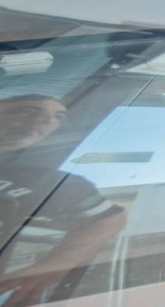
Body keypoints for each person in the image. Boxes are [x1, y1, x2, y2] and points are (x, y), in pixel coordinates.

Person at [0, 95, 124, 306]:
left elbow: (109, 217)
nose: (46, 121)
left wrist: (55, 265)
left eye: (58, 117)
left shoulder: (50, 182)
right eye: (28, 111)